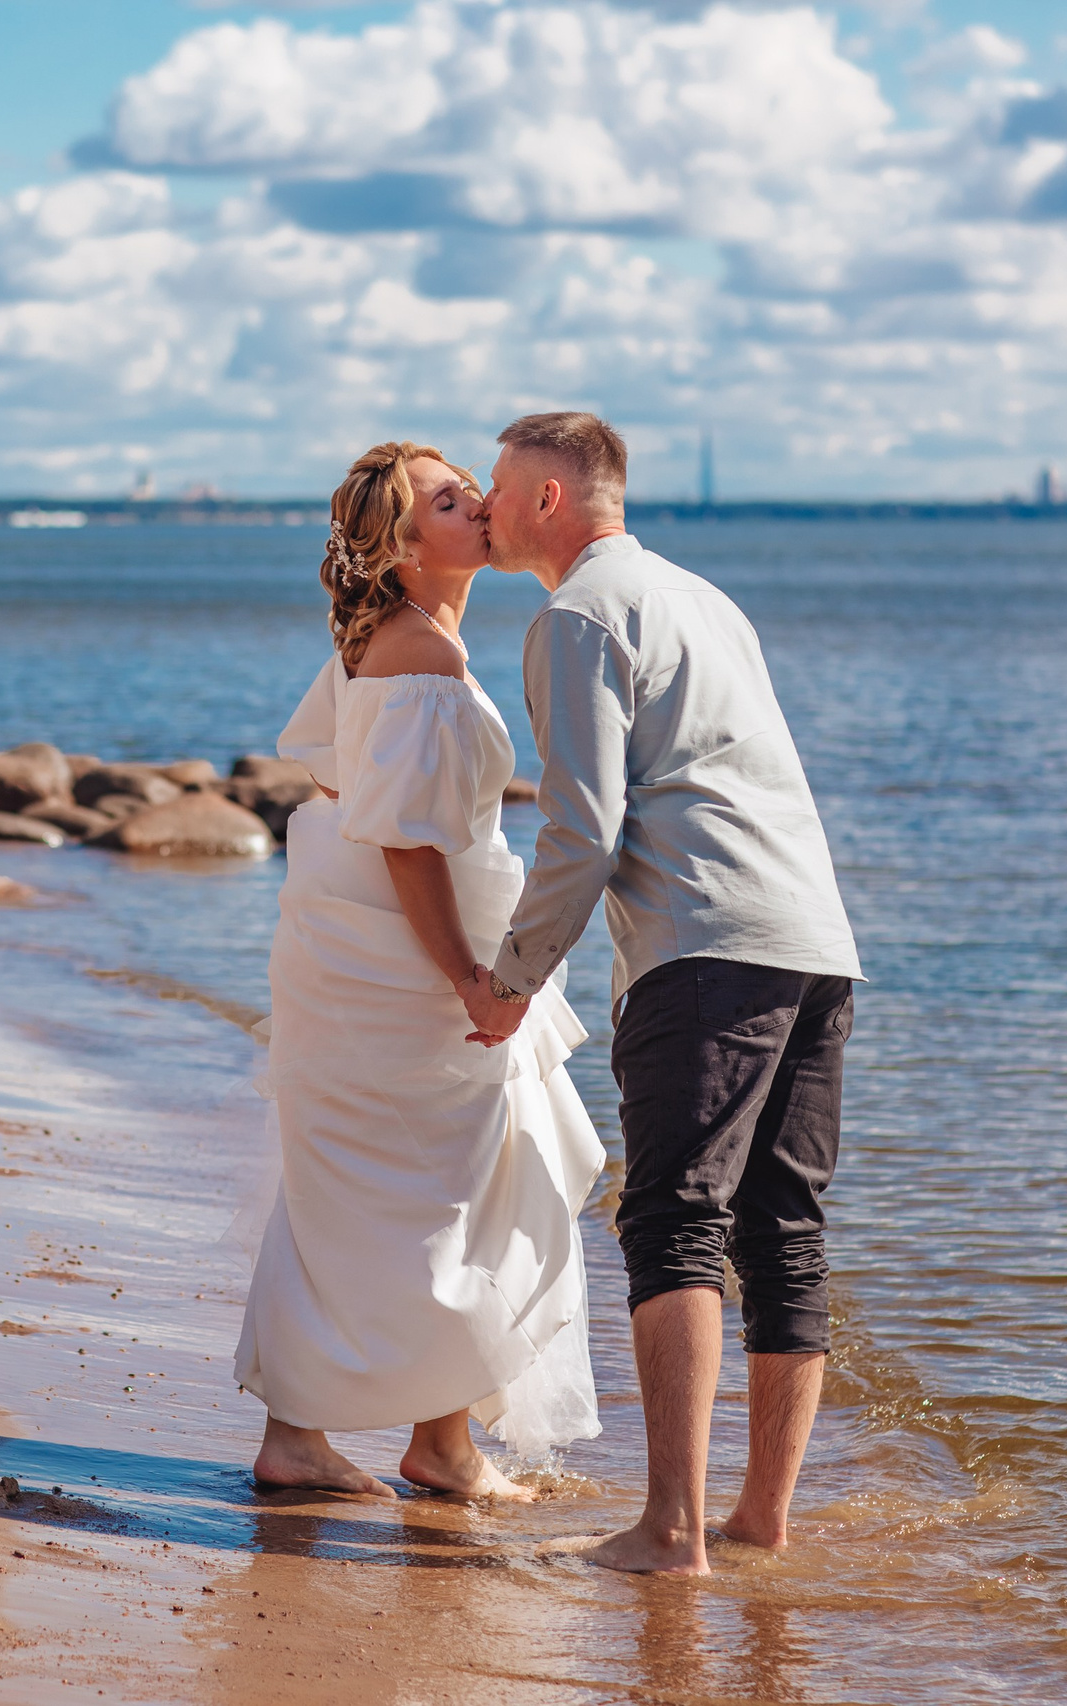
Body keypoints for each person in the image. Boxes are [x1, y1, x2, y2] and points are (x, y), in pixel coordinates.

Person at [460, 411, 862, 1574]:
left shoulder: (577, 613)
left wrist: (510, 980)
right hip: (816, 940)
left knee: (673, 1218)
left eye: (496, 484)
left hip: (705, 947)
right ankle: (758, 1521)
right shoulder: (705, 599)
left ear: (549, 496)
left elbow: (582, 833)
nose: (484, 505)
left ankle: (671, 1529)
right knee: (784, 1234)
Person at [236, 440, 607, 1501]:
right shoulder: (419, 655)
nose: (483, 506)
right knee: (459, 1187)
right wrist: (468, 978)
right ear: (403, 549)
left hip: (357, 952)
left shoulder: (388, 638)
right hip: (404, 968)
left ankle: (356, 1436)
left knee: (365, 1191)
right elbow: (404, 838)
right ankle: (410, 1442)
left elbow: (339, 777)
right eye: (452, 502)